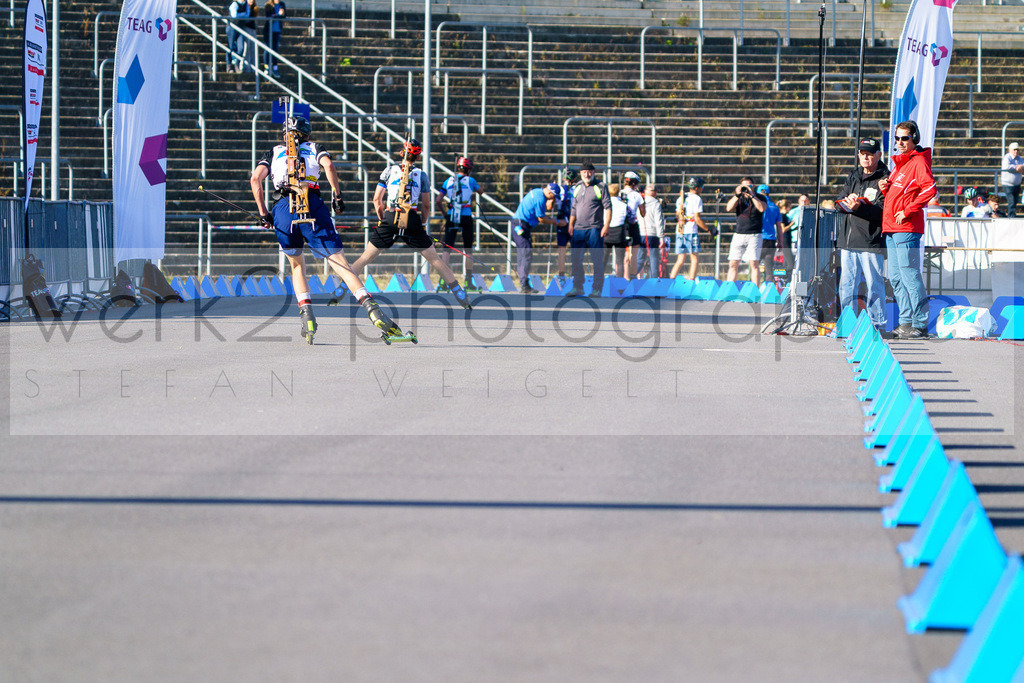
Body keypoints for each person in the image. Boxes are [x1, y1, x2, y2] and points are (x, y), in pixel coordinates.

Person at [250, 115, 405, 343]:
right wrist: (337, 195)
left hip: (283, 207)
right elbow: (329, 165)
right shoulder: (314, 147)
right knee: (340, 264)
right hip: (311, 202)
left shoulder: (273, 152)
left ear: (284, 135)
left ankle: (308, 318)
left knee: (296, 266)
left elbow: (255, 179)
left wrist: (264, 213)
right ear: (307, 134)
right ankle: (373, 310)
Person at [350, 139, 472, 309]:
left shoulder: (389, 170)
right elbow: (427, 205)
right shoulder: (421, 175)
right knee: (435, 260)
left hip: (390, 215)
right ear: (418, 156)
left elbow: (377, 199)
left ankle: (340, 290)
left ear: (402, 153)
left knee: (365, 258)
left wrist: (381, 219)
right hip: (412, 217)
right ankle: (460, 294)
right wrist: (422, 224)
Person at [878, 120, 936, 339]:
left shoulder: (918, 161)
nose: (900, 142)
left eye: (905, 138)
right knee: (895, 277)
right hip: (892, 227)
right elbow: (899, 195)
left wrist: (909, 210)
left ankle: (919, 324)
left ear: (915, 138)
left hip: (906, 227)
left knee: (910, 275)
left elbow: (930, 189)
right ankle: (905, 322)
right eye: (897, 138)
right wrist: (886, 189)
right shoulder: (900, 165)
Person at [835, 137, 889, 333]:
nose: (866, 157)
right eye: (863, 153)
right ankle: (848, 323)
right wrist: (846, 202)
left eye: (870, 154)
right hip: (848, 239)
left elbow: (884, 211)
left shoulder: (885, 178)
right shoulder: (854, 175)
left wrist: (859, 208)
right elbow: (838, 202)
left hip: (870, 240)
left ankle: (878, 324)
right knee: (847, 285)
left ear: (878, 155)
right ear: (858, 155)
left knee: (875, 283)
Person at [436, 156, 482, 290]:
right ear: (468, 170)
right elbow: (481, 192)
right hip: (466, 215)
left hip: (451, 216)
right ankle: (468, 281)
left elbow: (438, 200)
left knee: (447, 249)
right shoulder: (471, 180)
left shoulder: (448, 180)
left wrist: (445, 214)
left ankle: (443, 281)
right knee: (468, 249)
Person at [567, 162, 611, 297]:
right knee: (575, 259)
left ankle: (597, 289)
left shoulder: (601, 186)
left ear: (594, 172)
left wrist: (606, 225)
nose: (587, 174)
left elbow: (608, 208)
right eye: (584, 172)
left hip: (594, 228)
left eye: (589, 172)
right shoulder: (578, 187)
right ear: (581, 174)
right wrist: (570, 224)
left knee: (596, 259)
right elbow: (574, 208)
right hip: (578, 229)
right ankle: (578, 287)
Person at [511, 183, 561, 293]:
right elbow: (541, 218)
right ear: (549, 193)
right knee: (526, 253)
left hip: (519, 224)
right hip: (520, 225)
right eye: (553, 197)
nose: (553, 200)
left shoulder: (537, 191)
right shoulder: (541, 199)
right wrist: (557, 222)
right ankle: (524, 284)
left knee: (523, 254)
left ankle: (524, 282)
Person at [725, 177, 767, 285]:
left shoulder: (760, 197)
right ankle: (730, 288)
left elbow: (762, 208)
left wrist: (752, 195)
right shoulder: (739, 198)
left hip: (754, 235)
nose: (747, 188)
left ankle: (755, 290)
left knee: (754, 263)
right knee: (733, 263)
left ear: (754, 186)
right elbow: (728, 208)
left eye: (750, 186)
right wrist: (737, 194)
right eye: (745, 186)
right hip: (739, 234)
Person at [670, 177, 713, 280]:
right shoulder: (697, 199)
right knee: (694, 258)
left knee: (680, 259)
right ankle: (691, 281)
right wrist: (709, 229)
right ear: (697, 188)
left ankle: (670, 280)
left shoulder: (680, 198)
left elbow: (677, 216)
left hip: (680, 231)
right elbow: (697, 219)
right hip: (690, 231)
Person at [620, 171, 647, 278]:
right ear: (634, 183)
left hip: (621, 225)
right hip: (632, 225)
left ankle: (623, 278)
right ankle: (632, 277)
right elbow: (643, 213)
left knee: (624, 255)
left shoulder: (619, 193)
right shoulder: (637, 195)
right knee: (634, 254)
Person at [757, 184, 784, 286]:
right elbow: (779, 226)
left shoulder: (757, 205)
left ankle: (755, 286)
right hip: (771, 240)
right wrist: (780, 241)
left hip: (759, 238)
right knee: (769, 267)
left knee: (755, 265)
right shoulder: (775, 207)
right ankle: (769, 289)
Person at [636, 184, 666, 278]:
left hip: (641, 233)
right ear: (655, 193)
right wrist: (661, 237)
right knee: (654, 258)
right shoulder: (656, 204)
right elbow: (659, 221)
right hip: (652, 234)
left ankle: (631, 276)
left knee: (640, 258)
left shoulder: (639, 202)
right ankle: (654, 279)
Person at [554, 166, 577, 285]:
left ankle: (566, 275)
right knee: (566, 250)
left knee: (565, 250)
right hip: (567, 222)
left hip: (569, 222)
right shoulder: (574, 189)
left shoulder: (566, 189)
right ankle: (564, 274)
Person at [605, 184, 629, 278]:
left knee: (603, 258)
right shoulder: (623, 205)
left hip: (607, 231)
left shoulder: (605, 204)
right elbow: (628, 218)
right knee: (620, 260)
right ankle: (619, 281)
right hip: (619, 232)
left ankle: (599, 281)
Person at [1000, 141, 1023, 217]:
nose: (1016, 151)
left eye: (1017, 150)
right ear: (1010, 150)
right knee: (1011, 201)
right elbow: (1006, 167)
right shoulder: (1007, 157)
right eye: (1014, 149)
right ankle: (1011, 217)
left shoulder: (1020, 158)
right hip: (1008, 184)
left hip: (1017, 184)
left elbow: (1022, 165)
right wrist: (1016, 168)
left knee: (1015, 201)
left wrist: (1021, 167)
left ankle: (1012, 215)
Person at [263, 0, 285, 76]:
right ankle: (267, 67)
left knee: (275, 49)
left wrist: (282, 14)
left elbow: (284, 16)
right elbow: (269, 17)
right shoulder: (268, 5)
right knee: (267, 48)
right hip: (269, 31)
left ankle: (275, 68)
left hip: (277, 30)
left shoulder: (282, 4)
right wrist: (278, 14)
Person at [226, 0, 246, 72]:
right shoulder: (234, 4)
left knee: (241, 48)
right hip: (232, 27)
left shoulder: (245, 4)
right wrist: (243, 14)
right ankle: (228, 66)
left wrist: (241, 15)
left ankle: (236, 64)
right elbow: (234, 16)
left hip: (240, 28)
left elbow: (248, 14)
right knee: (230, 47)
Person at [242, 0, 260, 73]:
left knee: (253, 49)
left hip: (252, 29)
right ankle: (246, 66)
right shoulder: (243, 6)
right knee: (247, 49)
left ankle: (253, 67)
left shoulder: (254, 8)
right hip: (246, 29)